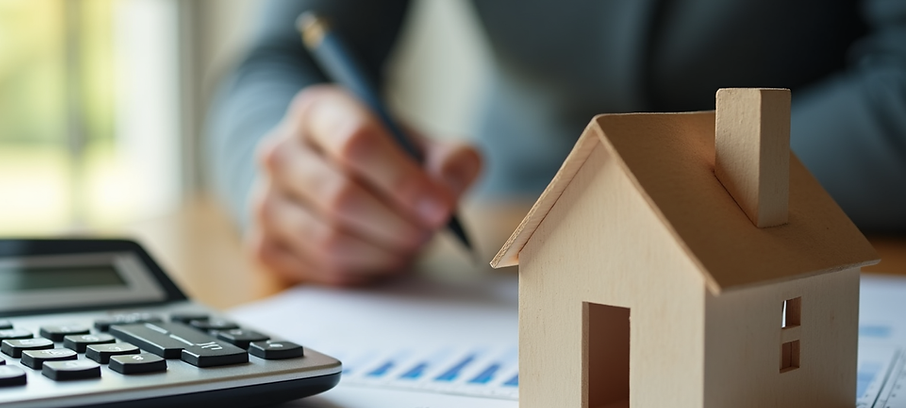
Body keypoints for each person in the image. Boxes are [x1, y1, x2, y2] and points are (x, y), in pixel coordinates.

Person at [206, 0, 906, 286]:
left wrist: (666, 190)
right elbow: (279, 57)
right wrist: (294, 169)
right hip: (513, 218)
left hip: (825, 223)